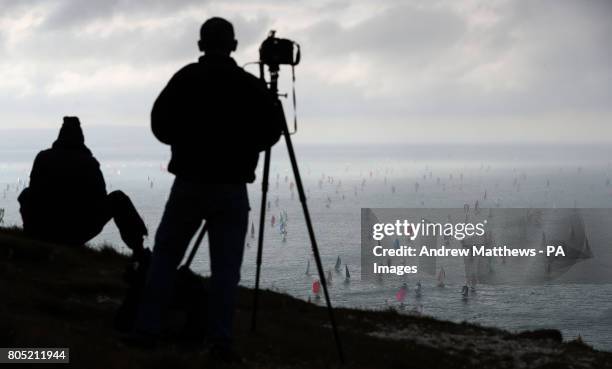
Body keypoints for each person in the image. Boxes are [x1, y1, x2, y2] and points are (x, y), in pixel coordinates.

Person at [133, 17, 282, 361]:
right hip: (231, 188)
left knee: (165, 258)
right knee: (226, 271)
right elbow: (273, 131)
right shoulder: (249, 85)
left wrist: (185, 142)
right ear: (233, 46)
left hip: (189, 182)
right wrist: (246, 148)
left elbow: (159, 124)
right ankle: (220, 342)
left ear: (201, 45)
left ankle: (146, 330)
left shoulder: (186, 78)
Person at [18, 116, 148, 256]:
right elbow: (100, 198)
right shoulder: (89, 163)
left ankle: (31, 234)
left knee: (26, 193)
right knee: (118, 198)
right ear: (81, 138)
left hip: (43, 229)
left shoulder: (42, 157)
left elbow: (33, 192)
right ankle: (138, 248)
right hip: (75, 232)